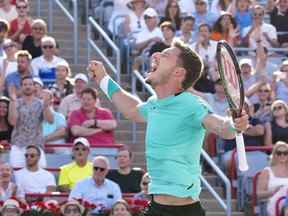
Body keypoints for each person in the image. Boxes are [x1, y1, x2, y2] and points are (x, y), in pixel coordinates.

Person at [87, 39, 249, 215]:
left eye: (165, 55)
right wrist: (103, 78)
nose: (155, 55)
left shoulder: (191, 104)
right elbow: (132, 110)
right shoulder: (155, 104)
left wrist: (234, 125)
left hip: (185, 211)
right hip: (156, 207)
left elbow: (219, 126)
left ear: (178, 72)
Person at [8, 76, 53, 168]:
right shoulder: (15, 102)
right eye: (25, 84)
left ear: (34, 87)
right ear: (21, 87)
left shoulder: (41, 103)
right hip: (18, 145)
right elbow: (13, 122)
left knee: (41, 170)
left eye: (30, 84)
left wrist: (46, 105)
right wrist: (13, 100)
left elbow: (50, 120)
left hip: (36, 144)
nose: (28, 87)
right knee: (17, 172)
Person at [257, 141, 288, 216]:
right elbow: (258, 194)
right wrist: (274, 192)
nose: (282, 155)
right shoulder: (267, 171)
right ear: (274, 155)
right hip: (273, 202)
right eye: (279, 153)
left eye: (285, 153)